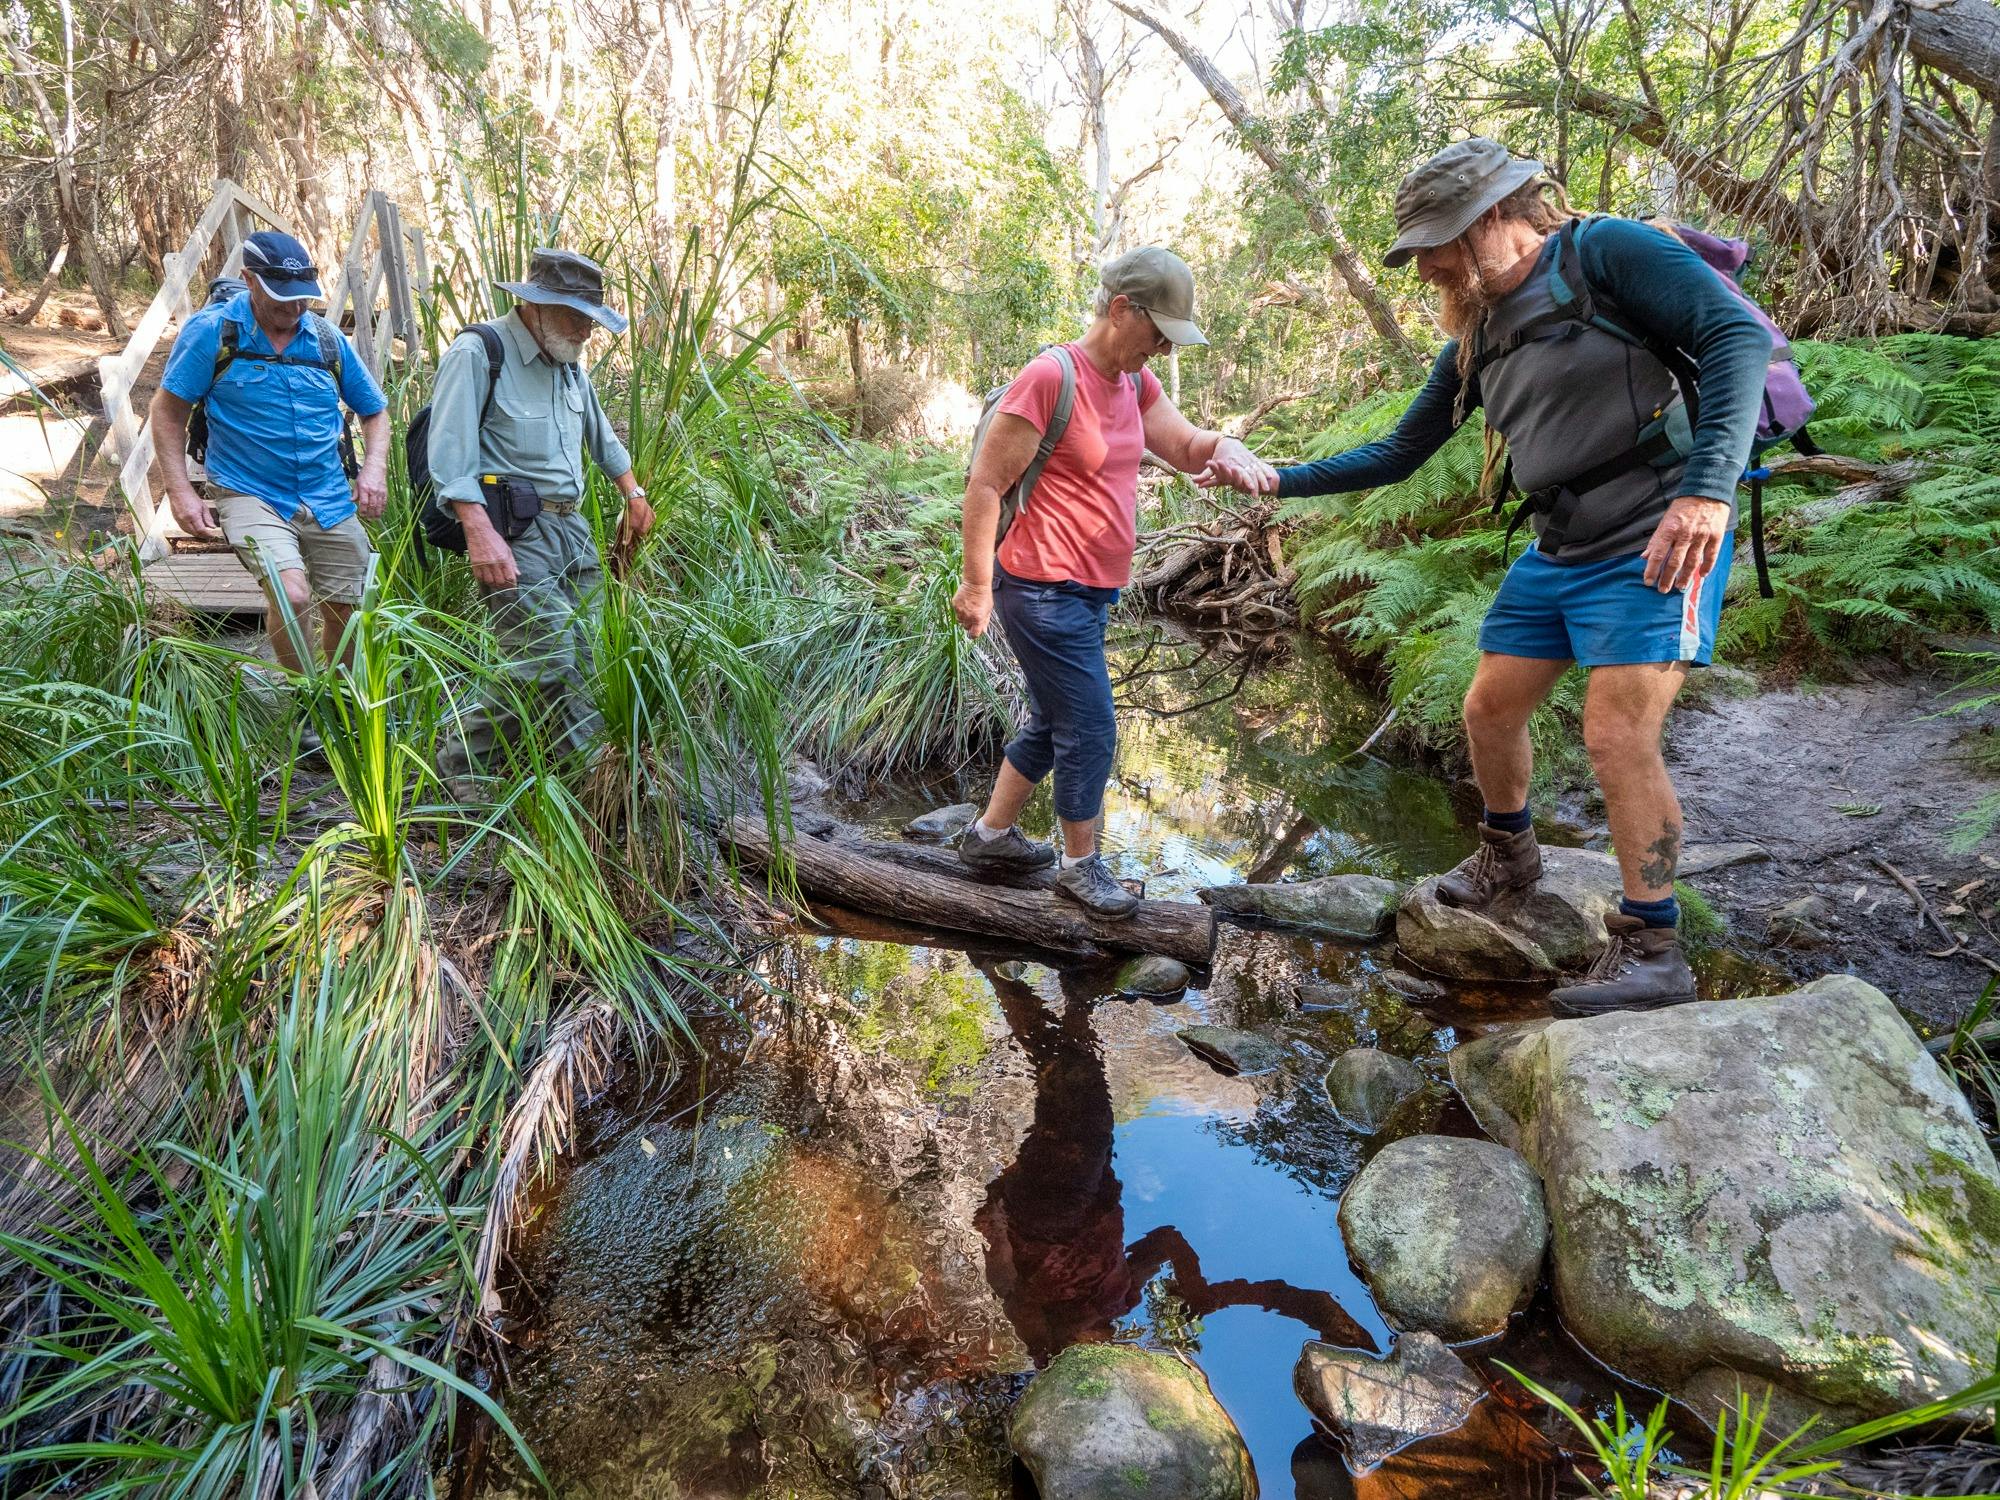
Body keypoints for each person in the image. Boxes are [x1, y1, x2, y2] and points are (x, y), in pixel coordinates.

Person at [1247, 139, 1770, 1015]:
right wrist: (1277, 477)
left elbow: (1735, 338)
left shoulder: (1605, 252)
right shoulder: (1480, 326)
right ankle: (1509, 857)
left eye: (1435, 247)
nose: (1425, 270)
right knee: (1488, 708)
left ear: (1490, 218)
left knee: (1615, 734)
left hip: (1657, 535)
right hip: (1560, 547)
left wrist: (1707, 493)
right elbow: (1401, 451)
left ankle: (1654, 948)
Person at [951, 247, 1276, 917]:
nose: (1160, 347)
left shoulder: (1134, 383)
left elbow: (1186, 447)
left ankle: (989, 837)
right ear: (1121, 309)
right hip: (1039, 588)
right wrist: (976, 586)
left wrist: (1226, 446)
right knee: (1093, 726)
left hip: (1092, 591)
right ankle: (1080, 866)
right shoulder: (1050, 377)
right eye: (1157, 332)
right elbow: (986, 484)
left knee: (1054, 718)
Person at [426, 247, 655, 780]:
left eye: (591, 320)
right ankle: (460, 771)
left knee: (589, 656)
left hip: (570, 530)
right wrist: (478, 532)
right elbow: (449, 451)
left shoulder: (569, 364)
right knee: (544, 656)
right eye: (576, 317)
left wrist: (632, 492)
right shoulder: (480, 352)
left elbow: (600, 434)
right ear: (536, 306)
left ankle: (588, 778)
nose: (586, 331)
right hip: (511, 530)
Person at [152, 231, 389, 668]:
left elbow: (375, 411)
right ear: (249, 279)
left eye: (303, 299)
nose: (295, 309)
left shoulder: (325, 339)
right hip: (250, 490)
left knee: (348, 607)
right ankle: (304, 704)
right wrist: (180, 491)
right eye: (282, 299)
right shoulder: (213, 334)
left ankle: (337, 701)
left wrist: (374, 469)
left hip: (327, 494)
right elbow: (167, 413)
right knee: (291, 592)